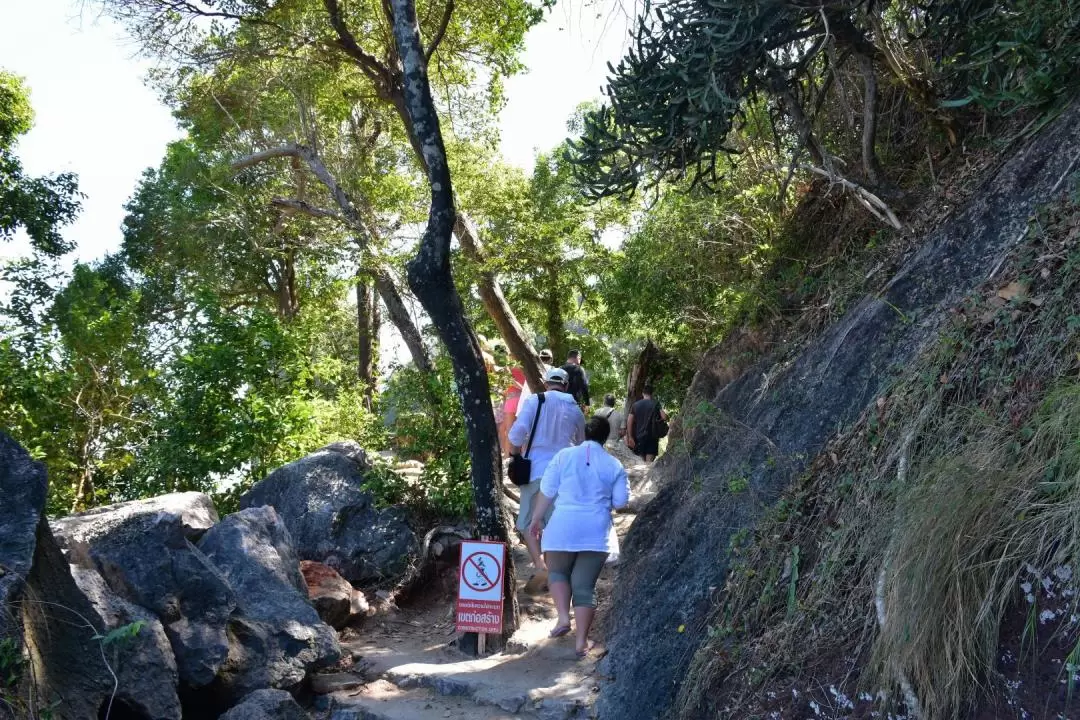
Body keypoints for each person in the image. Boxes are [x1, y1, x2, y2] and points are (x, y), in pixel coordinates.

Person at [528, 415, 629, 658]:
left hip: (562, 528)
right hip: (595, 532)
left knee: (558, 573)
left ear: (583, 434)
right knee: (584, 587)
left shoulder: (563, 456)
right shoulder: (614, 465)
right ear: (606, 438)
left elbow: (547, 492)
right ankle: (581, 642)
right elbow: (621, 502)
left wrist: (535, 520)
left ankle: (563, 617)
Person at [508, 367, 586, 581]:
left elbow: (516, 433)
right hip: (562, 475)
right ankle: (554, 571)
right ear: (566, 385)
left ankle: (541, 566)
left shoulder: (534, 401)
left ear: (545, 382)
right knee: (555, 524)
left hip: (534, 471)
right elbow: (581, 444)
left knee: (526, 521)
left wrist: (515, 455)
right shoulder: (575, 410)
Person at [626, 383, 668, 463]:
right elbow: (664, 417)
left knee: (640, 463)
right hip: (652, 437)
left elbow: (629, 421)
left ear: (643, 393)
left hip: (639, 437)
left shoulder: (635, 405)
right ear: (652, 394)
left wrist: (630, 436)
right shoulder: (656, 404)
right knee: (649, 464)